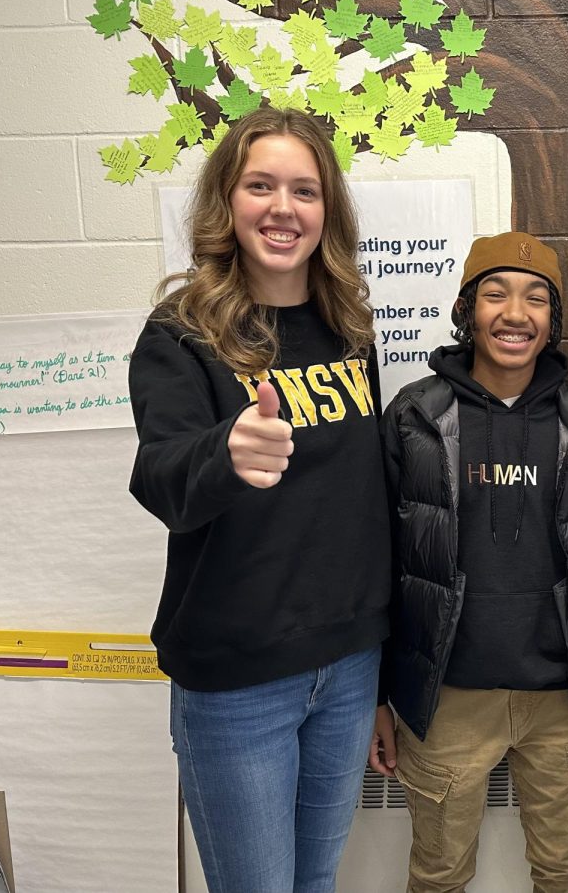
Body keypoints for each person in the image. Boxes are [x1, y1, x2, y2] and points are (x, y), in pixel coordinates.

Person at [127, 107, 390, 893]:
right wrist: (226, 452)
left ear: (327, 210)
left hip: (347, 665)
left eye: (304, 190)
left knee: (316, 884)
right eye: (261, 185)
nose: (284, 207)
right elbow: (161, 478)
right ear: (227, 202)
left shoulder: (348, 327)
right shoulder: (182, 333)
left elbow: (365, 500)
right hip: (238, 679)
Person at [369, 232, 568, 893]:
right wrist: (376, 698)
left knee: (565, 871)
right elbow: (377, 565)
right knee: (438, 874)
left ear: (553, 320)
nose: (515, 312)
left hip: (561, 700)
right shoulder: (414, 419)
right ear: (467, 310)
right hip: (446, 696)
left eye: (536, 298)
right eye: (496, 293)